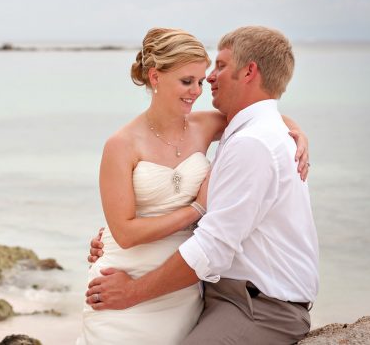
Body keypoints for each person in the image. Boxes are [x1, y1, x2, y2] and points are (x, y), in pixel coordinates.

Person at [84, 26, 319, 344]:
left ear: (248, 71)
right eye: (187, 81)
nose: (200, 87)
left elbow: (263, 115)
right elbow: (126, 232)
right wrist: (196, 209)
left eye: (210, 72)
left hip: (190, 285)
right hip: (143, 271)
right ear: (155, 78)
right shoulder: (122, 143)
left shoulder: (218, 129)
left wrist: (297, 133)